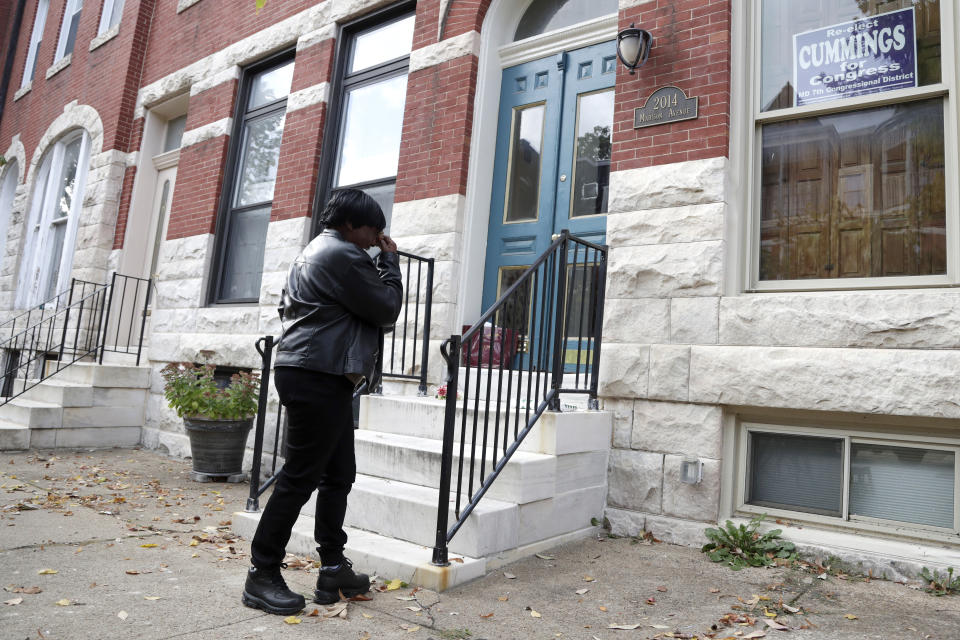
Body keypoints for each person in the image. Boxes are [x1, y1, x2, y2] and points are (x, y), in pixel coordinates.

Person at [242, 189, 403, 615]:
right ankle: (261, 574)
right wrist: (391, 263)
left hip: (321, 372)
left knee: (339, 475)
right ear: (351, 224)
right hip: (317, 373)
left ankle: (333, 566)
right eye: (373, 229)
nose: (376, 238)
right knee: (300, 477)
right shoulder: (342, 255)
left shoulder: (318, 251)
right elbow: (386, 309)